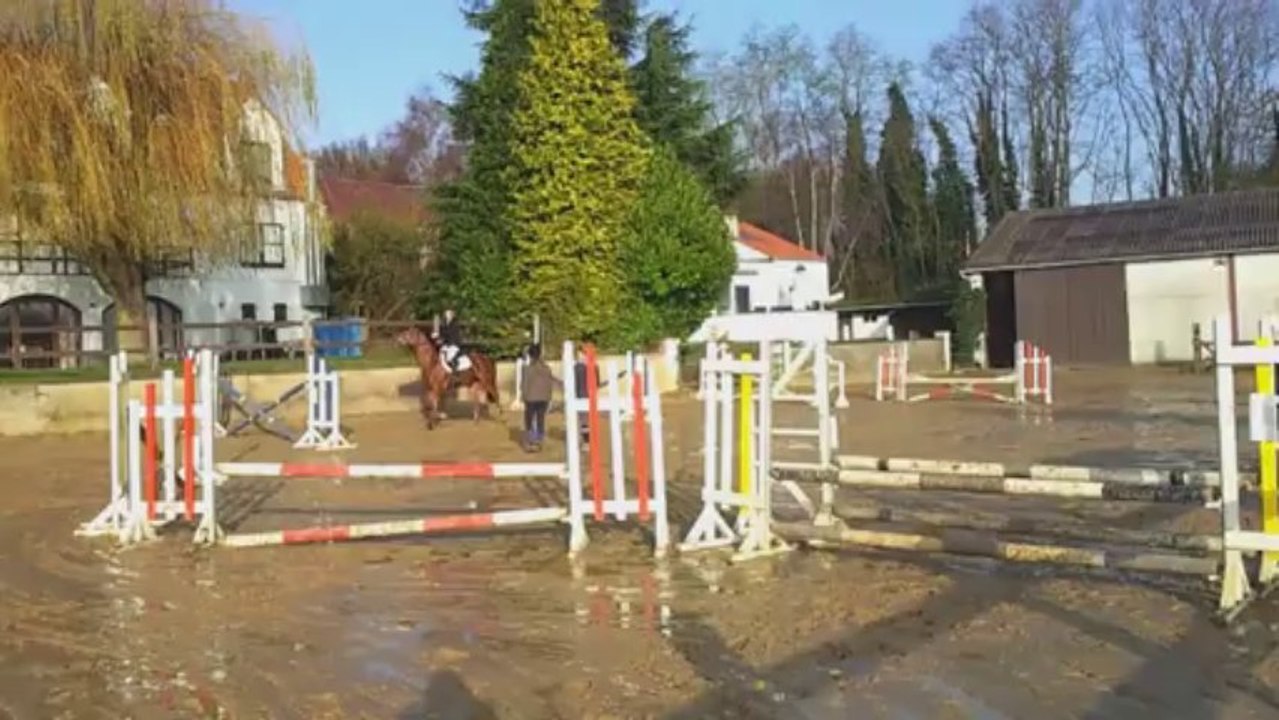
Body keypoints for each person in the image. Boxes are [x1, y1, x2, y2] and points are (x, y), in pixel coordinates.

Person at [519, 343, 555, 449]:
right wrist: (549, 398)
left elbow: (524, 384)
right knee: (540, 418)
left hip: (530, 398)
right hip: (543, 398)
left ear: (530, 355)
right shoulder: (547, 368)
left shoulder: (526, 369)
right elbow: (549, 384)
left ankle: (532, 440)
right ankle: (539, 438)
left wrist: (522, 397)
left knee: (529, 419)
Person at [436, 308, 464, 373]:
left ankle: (455, 373)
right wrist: (437, 334)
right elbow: (442, 332)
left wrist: (442, 339)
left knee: (450, 357)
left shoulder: (455, 324)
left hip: (453, 344)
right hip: (446, 344)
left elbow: (450, 334)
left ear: (452, 315)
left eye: (448, 314)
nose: (446, 315)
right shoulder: (444, 323)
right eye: (446, 314)